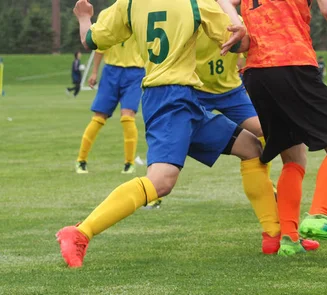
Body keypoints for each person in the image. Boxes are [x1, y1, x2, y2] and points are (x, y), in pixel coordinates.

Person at [56, 0, 260, 268]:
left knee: (252, 148)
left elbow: (91, 40)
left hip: (180, 99)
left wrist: (84, 17)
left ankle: (278, 234)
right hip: (172, 99)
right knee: (161, 181)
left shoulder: (129, 4)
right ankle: (80, 232)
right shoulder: (196, 2)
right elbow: (238, 42)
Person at [235, 0, 327, 255]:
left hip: (255, 73)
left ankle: (289, 239)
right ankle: (319, 215)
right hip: (291, 62)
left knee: (293, 155)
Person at [193, 26, 319, 254]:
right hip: (194, 93)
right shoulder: (193, 11)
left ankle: (285, 232)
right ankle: (278, 231)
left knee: (283, 138)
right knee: (252, 147)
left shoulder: (237, 19)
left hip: (232, 92)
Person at [75, 37, 145, 174]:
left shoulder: (141, 16)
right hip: (111, 72)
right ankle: (81, 160)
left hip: (135, 72)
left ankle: (129, 163)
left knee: (128, 116)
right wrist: (94, 72)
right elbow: (100, 47)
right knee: (99, 117)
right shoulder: (109, 16)